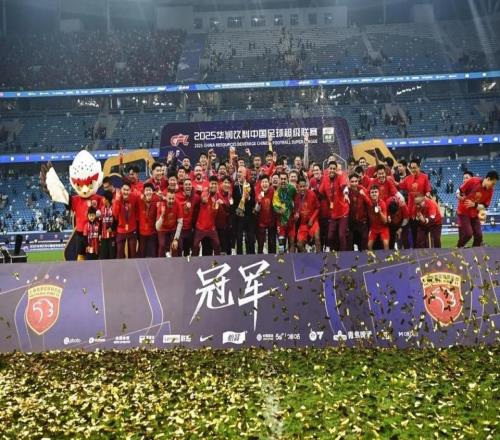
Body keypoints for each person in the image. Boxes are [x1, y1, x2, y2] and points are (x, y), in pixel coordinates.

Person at [456, 170, 498, 247]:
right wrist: (459, 195)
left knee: (479, 236)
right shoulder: (473, 181)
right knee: (468, 234)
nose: (493, 186)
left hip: (474, 213)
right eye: (493, 184)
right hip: (463, 212)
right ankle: (458, 248)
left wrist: (474, 205)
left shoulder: (490, 191)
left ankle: (475, 251)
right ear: (488, 179)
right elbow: (460, 190)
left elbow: (484, 206)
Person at [398, 158, 432, 247]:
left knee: (423, 236)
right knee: (414, 235)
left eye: (415, 168)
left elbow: (428, 191)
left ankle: (426, 252)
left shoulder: (425, 177)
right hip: (411, 212)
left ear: (419, 167)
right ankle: (416, 253)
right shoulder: (408, 178)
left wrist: (425, 196)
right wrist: (390, 180)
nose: (413, 170)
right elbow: (399, 185)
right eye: (411, 168)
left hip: (422, 211)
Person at [320, 161, 349, 251]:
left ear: (336, 170)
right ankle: (334, 254)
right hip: (333, 214)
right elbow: (321, 192)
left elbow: (344, 186)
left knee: (341, 235)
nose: (332, 170)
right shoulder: (325, 179)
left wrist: (346, 194)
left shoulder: (340, 177)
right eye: (330, 168)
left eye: (334, 169)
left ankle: (344, 255)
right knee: (330, 236)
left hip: (343, 212)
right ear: (328, 169)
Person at [192, 176, 221, 256]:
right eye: (212, 184)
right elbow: (203, 199)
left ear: (217, 185)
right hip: (200, 227)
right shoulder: (205, 192)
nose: (213, 185)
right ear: (209, 184)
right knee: (195, 246)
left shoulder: (217, 196)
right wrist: (204, 198)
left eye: (215, 184)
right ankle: (194, 262)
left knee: (217, 245)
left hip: (211, 228)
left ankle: (217, 262)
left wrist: (218, 204)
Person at [112, 181, 140, 259]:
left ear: (130, 191)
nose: (125, 192)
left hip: (132, 229)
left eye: (127, 190)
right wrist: (117, 201)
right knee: (120, 254)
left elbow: (138, 209)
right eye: (124, 189)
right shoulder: (117, 198)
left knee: (133, 253)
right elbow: (115, 214)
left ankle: (133, 266)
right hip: (121, 230)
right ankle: (120, 266)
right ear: (121, 189)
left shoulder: (134, 197)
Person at [232, 166, 256, 254]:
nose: (238, 174)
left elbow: (253, 201)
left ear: (245, 174)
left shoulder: (250, 185)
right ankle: (239, 258)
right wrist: (238, 211)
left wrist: (248, 197)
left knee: (250, 239)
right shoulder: (235, 186)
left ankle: (251, 257)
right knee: (239, 239)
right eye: (238, 172)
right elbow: (234, 203)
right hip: (239, 217)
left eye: (240, 172)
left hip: (249, 217)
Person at [294, 177, 321, 252]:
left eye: (304, 186)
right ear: (298, 187)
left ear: (306, 186)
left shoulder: (312, 194)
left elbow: (318, 208)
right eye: (301, 186)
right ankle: (309, 257)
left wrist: (312, 219)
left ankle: (319, 258)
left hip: (313, 221)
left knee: (317, 239)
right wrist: (296, 217)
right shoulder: (296, 198)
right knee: (299, 244)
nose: (302, 188)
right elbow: (296, 213)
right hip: (303, 224)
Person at [175, 177, 200, 256]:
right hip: (180, 229)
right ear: (183, 186)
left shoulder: (196, 197)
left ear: (192, 186)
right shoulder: (177, 196)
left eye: (189, 184)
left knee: (187, 251)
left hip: (190, 229)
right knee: (179, 250)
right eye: (186, 184)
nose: (188, 186)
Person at [273, 171, 296, 253]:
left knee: (292, 242)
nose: (283, 181)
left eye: (284, 179)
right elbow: (275, 207)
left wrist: (296, 211)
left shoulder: (292, 189)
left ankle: (292, 259)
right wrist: (279, 211)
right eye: (281, 179)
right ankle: (282, 259)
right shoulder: (276, 193)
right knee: (281, 244)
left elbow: (297, 201)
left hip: (291, 220)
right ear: (279, 180)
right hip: (281, 222)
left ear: (287, 179)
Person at [156, 191, 183, 257]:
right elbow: (157, 227)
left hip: (173, 228)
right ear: (166, 198)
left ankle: (176, 260)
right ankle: (161, 261)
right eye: (169, 199)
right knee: (162, 245)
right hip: (162, 229)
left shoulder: (177, 203)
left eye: (173, 199)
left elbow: (180, 222)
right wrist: (162, 215)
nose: (171, 201)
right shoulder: (162, 205)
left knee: (177, 245)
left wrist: (176, 239)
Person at [347, 173, 370, 251]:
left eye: (356, 181)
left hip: (362, 222)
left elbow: (369, 203)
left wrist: (364, 195)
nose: (354, 184)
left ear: (358, 181)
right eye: (352, 181)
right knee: (350, 244)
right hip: (351, 222)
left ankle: (364, 257)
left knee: (363, 243)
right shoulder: (346, 191)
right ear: (349, 182)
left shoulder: (363, 190)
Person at [255, 175, 276, 254]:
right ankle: (260, 257)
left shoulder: (273, 191)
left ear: (269, 183)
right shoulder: (258, 192)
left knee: (272, 244)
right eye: (263, 182)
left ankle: (273, 259)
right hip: (261, 222)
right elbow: (256, 210)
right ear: (260, 184)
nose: (264, 184)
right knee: (260, 244)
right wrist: (259, 202)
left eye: (266, 182)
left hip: (271, 221)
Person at [137, 183, 158, 258]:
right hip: (142, 232)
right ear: (144, 192)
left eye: (150, 190)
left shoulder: (156, 200)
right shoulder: (139, 200)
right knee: (142, 253)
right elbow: (135, 192)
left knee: (153, 254)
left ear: (153, 192)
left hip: (153, 232)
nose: (148, 192)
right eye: (146, 190)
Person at [367, 186, 389, 251]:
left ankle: (387, 257)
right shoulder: (368, 203)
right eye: (372, 192)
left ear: (379, 193)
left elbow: (385, 221)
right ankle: (372, 257)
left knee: (386, 244)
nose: (374, 194)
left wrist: (380, 212)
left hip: (383, 228)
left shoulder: (382, 204)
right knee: (369, 246)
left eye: (375, 192)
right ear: (369, 194)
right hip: (373, 228)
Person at [215, 176, 233, 255]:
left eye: (228, 183)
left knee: (228, 249)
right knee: (220, 250)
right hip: (218, 226)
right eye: (225, 182)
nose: (227, 184)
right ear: (221, 184)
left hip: (228, 226)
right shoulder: (216, 194)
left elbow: (230, 209)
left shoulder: (230, 194)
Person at [99, 190, 116, 259]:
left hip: (112, 236)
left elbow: (116, 220)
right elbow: (100, 222)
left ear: (107, 200)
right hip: (104, 236)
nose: (102, 200)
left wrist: (112, 228)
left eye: (103, 198)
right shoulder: (102, 208)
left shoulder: (114, 207)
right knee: (103, 256)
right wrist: (99, 234)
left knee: (112, 255)